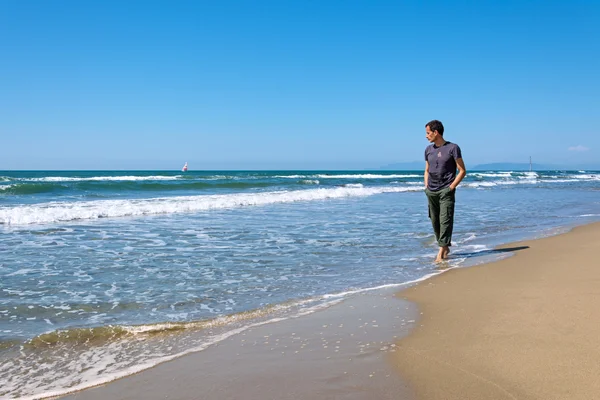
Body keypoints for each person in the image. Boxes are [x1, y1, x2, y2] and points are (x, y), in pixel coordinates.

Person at [424, 120, 466, 262]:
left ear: (436, 132)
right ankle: (445, 245)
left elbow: (462, 170)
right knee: (435, 221)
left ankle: (441, 251)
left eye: (428, 133)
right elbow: (427, 170)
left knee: (445, 220)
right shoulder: (428, 150)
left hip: (446, 190)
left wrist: (451, 187)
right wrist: (426, 187)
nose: (426, 136)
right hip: (431, 191)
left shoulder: (453, 148)